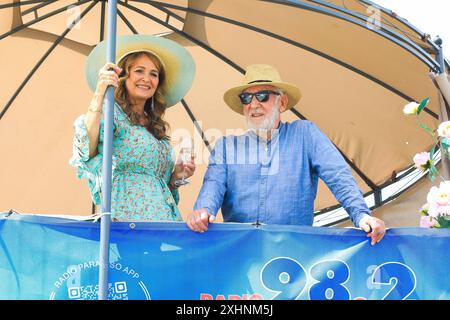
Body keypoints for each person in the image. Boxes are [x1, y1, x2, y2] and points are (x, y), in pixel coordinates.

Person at [186, 64, 386, 245]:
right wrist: (203, 212)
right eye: (246, 98)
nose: (253, 104)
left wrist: (361, 216)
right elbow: (212, 185)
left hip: (295, 255)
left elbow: (338, 175)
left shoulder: (305, 134)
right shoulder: (226, 146)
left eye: (262, 96)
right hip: (241, 258)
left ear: (282, 103)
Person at [70, 34, 196, 221]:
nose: (146, 78)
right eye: (139, 71)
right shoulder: (110, 113)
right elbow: (86, 150)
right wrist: (100, 92)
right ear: (123, 75)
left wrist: (176, 177)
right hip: (126, 221)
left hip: (162, 222)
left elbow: (159, 188)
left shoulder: (155, 127)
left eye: (154, 74)